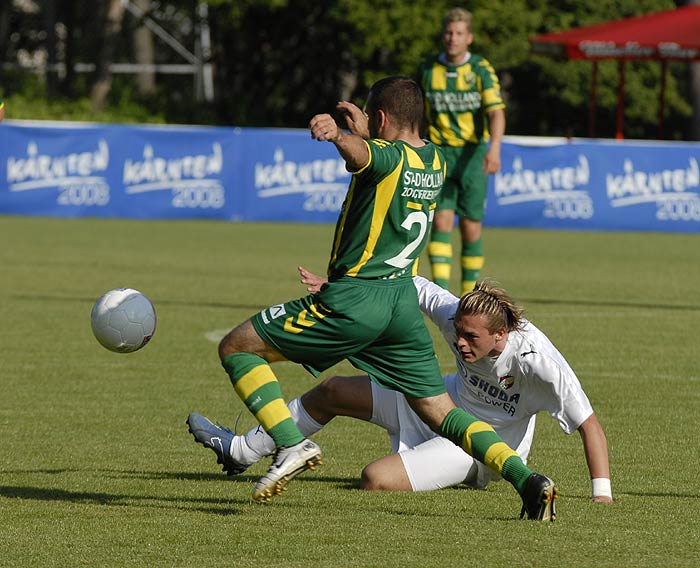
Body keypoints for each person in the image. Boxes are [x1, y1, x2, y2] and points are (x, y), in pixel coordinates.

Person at [188, 76, 557, 521]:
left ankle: (290, 445)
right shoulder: (435, 159)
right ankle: (527, 479)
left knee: (238, 347)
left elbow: (368, 156)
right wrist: (364, 135)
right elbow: (388, 163)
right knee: (443, 413)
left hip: (358, 299)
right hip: (401, 303)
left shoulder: (384, 155)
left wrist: (339, 135)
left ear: (380, 118)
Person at [191, 271, 612, 507]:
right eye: (458, 333)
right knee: (333, 390)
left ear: (501, 334)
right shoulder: (456, 315)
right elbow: (404, 281)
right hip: (439, 403)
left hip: (480, 446)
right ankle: (243, 451)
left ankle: (502, 476)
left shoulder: (539, 362)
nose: (460, 342)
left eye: (471, 338)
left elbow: (590, 425)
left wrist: (601, 497)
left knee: (375, 478)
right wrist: (343, 289)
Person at [419, 7, 506, 295]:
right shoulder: (429, 69)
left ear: (469, 38)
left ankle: (469, 295)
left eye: (458, 33)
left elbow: (496, 112)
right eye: (448, 32)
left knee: (470, 227)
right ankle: (442, 294)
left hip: (472, 155)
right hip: (440, 154)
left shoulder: (480, 69)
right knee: (440, 220)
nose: (452, 38)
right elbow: (416, 113)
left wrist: (494, 149)